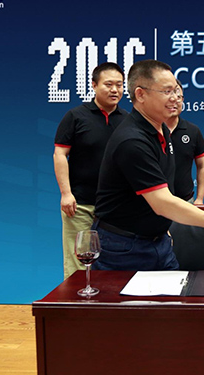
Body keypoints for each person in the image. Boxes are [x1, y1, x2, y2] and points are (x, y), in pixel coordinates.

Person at [92, 59, 204, 271]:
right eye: (167, 91)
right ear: (141, 94)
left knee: (172, 292)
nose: (175, 98)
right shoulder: (132, 140)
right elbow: (162, 203)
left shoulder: (162, 130)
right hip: (123, 247)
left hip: (158, 241)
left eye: (176, 91)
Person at [53, 62, 127, 279]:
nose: (115, 90)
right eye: (109, 84)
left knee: (114, 260)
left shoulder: (128, 120)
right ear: (94, 85)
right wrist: (66, 193)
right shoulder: (75, 116)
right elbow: (60, 155)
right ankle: (75, 299)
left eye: (119, 85)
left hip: (116, 206)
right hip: (80, 204)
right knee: (78, 261)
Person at [164, 80, 204, 204]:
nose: (174, 100)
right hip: (155, 202)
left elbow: (202, 165)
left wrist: (200, 198)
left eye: (178, 96)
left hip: (186, 200)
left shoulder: (192, 131)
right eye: (169, 95)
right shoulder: (151, 130)